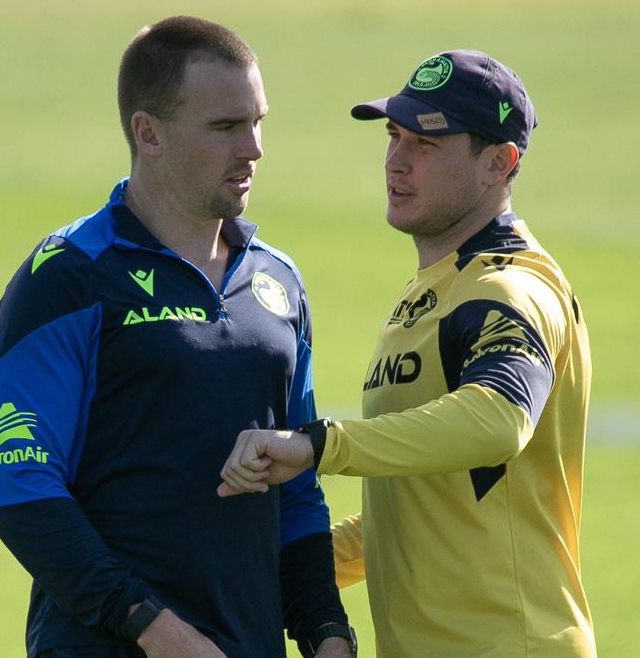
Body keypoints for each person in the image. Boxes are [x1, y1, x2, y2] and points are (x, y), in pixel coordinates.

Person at [0, 16, 356, 658]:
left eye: (257, 121)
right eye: (225, 127)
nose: (254, 148)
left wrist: (327, 631)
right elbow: (23, 492)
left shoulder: (278, 282)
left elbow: (296, 484)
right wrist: (158, 632)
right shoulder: (70, 277)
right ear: (148, 134)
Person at [219, 50, 596, 657]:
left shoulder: (509, 289)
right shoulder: (433, 290)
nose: (396, 161)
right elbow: (418, 517)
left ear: (499, 163)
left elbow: (501, 420)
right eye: (395, 136)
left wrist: (321, 445)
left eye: (427, 144)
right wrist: (275, 566)